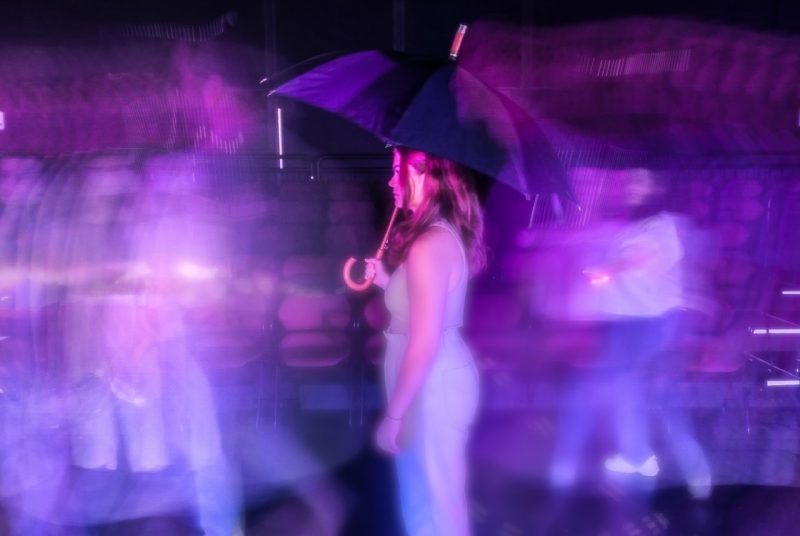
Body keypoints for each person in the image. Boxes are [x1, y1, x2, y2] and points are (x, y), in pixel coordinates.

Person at [365, 146, 484, 536]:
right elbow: (422, 305)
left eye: (395, 168)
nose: (389, 180)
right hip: (428, 380)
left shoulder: (429, 245)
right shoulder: (434, 237)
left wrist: (393, 416)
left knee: (438, 504)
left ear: (420, 172)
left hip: (432, 384)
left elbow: (424, 341)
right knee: (421, 498)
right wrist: (387, 280)